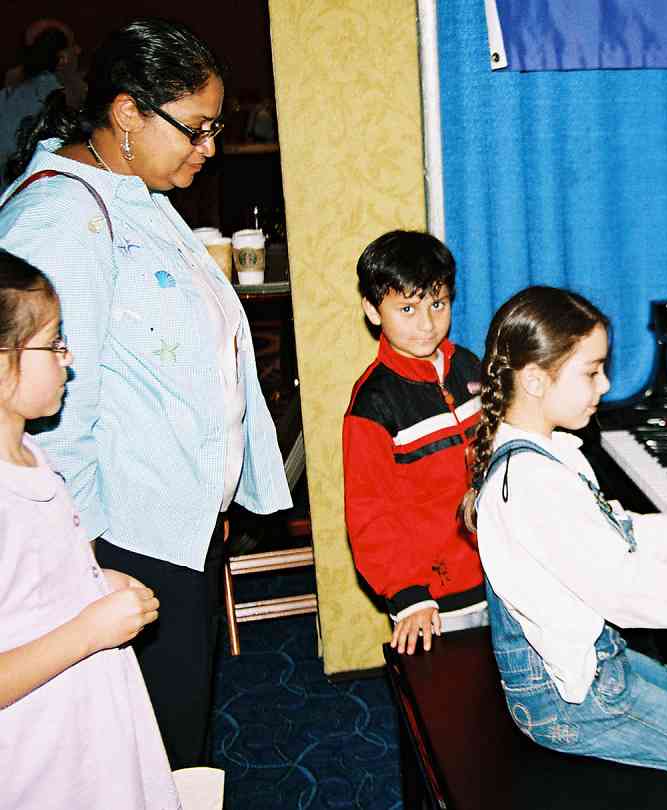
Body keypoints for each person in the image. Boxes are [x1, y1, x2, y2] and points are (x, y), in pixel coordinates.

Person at [0, 19, 291, 769]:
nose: (210, 148)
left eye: (215, 128)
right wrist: (88, 563)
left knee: (172, 733)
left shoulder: (128, 189)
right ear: (128, 114)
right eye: (195, 129)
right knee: (145, 747)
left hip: (169, 523)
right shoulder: (58, 219)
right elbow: (47, 416)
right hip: (122, 539)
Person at [464, 285, 667, 809]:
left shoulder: (543, 452)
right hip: (568, 701)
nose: (606, 384)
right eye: (591, 372)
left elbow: (601, 527)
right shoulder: (533, 483)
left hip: (592, 664)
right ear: (535, 379)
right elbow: (633, 593)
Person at [0, 250, 179, 809]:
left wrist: (95, 579)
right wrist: (89, 630)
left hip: (86, 722)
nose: (67, 356)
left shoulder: (30, 455)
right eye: (53, 343)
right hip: (38, 754)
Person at [344, 230, 486, 655]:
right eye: (407, 309)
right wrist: (407, 593)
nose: (426, 324)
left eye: (437, 305)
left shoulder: (469, 365)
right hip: (434, 596)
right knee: (451, 703)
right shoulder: (373, 402)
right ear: (373, 310)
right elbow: (369, 514)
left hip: (498, 571)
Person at [0, 20, 84, 184]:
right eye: (73, 45)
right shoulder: (55, 98)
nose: (79, 51)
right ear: (63, 57)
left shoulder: (10, 91)